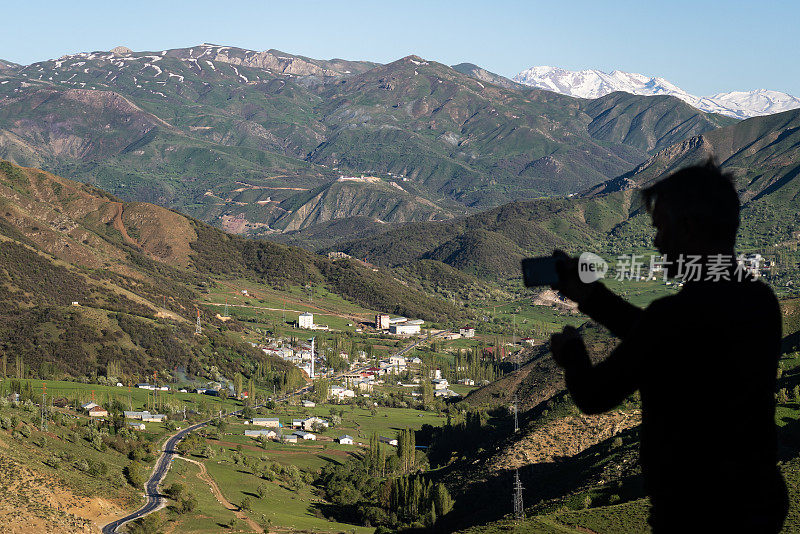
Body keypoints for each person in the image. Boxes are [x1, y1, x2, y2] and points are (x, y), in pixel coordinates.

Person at [549, 161, 788, 533]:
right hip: (758, 502)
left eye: (662, 228)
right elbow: (665, 341)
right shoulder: (760, 302)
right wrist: (592, 297)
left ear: (688, 229)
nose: (657, 242)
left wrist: (572, 356)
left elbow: (595, 395)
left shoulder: (673, 317)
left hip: (692, 513)